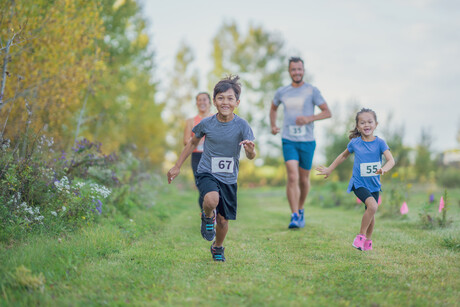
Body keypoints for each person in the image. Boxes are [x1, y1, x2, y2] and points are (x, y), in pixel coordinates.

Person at [167, 75, 256, 262]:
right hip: (207, 170)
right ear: (214, 101)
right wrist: (176, 166)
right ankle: (207, 217)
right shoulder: (206, 123)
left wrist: (250, 151)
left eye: (230, 98)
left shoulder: (242, 126)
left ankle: (217, 247)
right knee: (210, 198)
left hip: (229, 177)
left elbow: (250, 155)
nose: (225, 102)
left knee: (223, 221)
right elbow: (192, 143)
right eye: (221, 98)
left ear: (237, 102)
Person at [316, 108, 395, 251]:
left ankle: (368, 242)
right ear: (358, 126)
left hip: (374, 184)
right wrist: (330, 168)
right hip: (359, 184)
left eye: (370, 122)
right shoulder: (355, 143)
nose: (366, 125)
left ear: (376, 124)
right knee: (372, 206)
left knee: (371, 211)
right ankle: (360, 236)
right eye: (362, 122)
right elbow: (343, 156)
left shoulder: (380, 143)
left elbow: (391, 160)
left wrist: (384, 169)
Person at [269, 57, 331, 229]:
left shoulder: (312, 91)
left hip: (307, 141)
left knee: (304, 179)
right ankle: (294, 215)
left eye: (299, 69)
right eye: (293, 69)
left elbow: (327, 112)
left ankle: (301, 208)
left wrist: (309, 118)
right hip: (289, 139)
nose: (296, 72)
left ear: (303, 70)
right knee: (292, 176)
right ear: (289, 71)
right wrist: (273, 125)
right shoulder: (282, 91)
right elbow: (273, 108)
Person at [183, 92, 212, 207]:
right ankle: (205, 216)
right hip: (197, 157)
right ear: (196, 103)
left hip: (212, 156)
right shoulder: (190, 121)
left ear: (210, 102)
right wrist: (196, 140)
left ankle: (214, 212)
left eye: (204, 99)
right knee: (202, 188)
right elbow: (185, 141)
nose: (202, 102)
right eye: (199, 100)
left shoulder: (215, 117)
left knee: (213, 187)